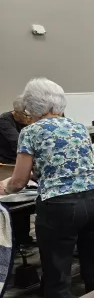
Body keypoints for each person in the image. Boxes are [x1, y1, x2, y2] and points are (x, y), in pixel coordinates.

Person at [0, 78, 94, 298]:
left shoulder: (30, 132)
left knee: (57, 277)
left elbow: (19, 181)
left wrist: (6, 187)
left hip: (60, 206)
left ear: (31, 105)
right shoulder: (78, 126)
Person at [0, 96, 34, 252]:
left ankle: (24, 238)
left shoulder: (28, 122)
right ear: (17, 112)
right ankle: (14, 241)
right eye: (26, 115)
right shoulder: (5, 121)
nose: (29, 119)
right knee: (14, 200)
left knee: (26, 199)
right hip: (6, 165)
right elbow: (18, 142)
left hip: (21, 162)